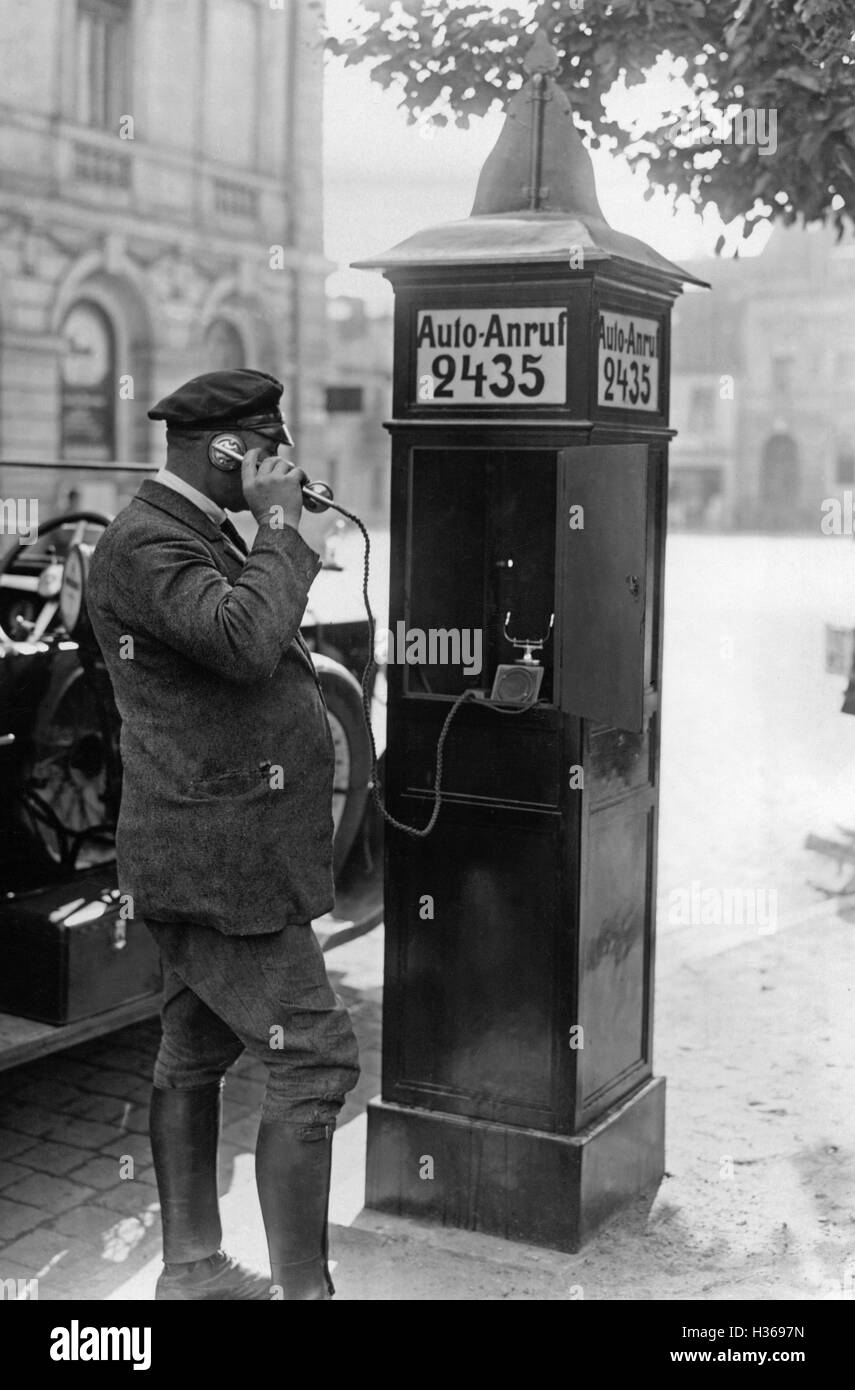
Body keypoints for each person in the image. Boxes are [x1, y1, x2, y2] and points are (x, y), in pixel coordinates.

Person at [86, 369, 360, 1300]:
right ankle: (302, 1295)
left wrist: (271, 533)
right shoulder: (144, 543)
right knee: (316, 1060)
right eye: (271, 452)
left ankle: (194, 1270)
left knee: (195, 1049)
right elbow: (244, 641)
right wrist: (283, 532)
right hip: (216, 865)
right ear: (230, 452)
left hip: (226, 851)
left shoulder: (192, 532)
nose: (285, 470)